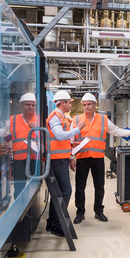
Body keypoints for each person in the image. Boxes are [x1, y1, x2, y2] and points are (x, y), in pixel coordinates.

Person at [72, 93, 130, 224]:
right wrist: (70, 157)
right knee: (80, 187)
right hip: (82, 158)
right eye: (84, 105)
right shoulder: (76, 120)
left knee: (99, 186)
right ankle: (80, 213)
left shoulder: (103, 119)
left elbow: (117, 131)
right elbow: (71, 139)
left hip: (98, 158)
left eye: (89, 104)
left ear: (95, 105)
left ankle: (99, 211)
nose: (86, 107)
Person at [46, 90, 80, 237]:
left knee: (59, 193)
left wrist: (70, 154)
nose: (70, 104)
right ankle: (57, 225)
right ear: (63, 103)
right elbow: (59, 136)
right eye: (69, 102)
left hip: (62, 159)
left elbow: (63, 139)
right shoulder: (55, 117)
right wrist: (79, 128)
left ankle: (52, 223)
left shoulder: (62, 117)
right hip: (57, 160)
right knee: (66, 191)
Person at [8, 92, 40, 191]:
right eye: (27, 105)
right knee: (19, 187)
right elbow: (5, 134)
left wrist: (37, 128)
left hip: (35, 159)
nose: (31, 107)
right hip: (19, 160)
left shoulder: (40, 119)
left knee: (34, 187)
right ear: (21, 105)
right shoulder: (13, 120)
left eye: (33, 105)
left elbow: (45, 138)